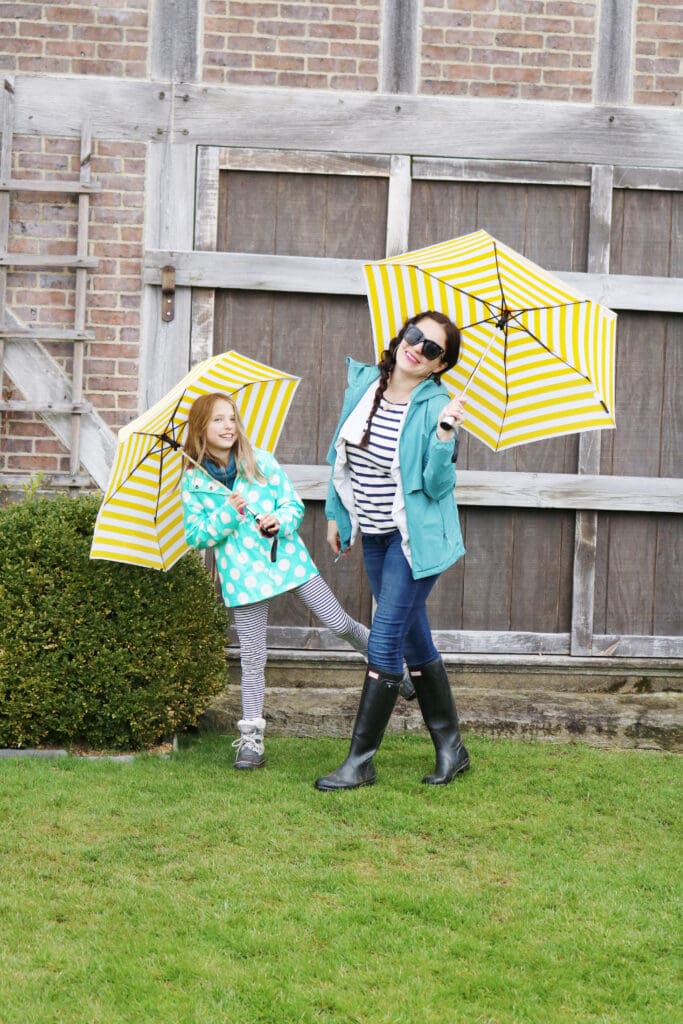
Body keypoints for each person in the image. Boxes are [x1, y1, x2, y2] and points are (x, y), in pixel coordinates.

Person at [180, 392, 413, 771]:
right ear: (201, 429)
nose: (228, 426)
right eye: (218, 420)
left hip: (287, 561)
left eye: (232, 418)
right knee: (253, 656)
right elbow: (197, 536)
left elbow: (294, 506)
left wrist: (278, 521)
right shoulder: (194, 483)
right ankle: (252, 739)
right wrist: (226, 512)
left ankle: (393, 666)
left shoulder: (260, 464)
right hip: (244, 578)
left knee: (338, 622)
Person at [315, 311, 470, 791]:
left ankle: (360, 761)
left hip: (413, 542)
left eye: (431, 349)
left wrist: (445, 436)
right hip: (377, 536)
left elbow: (436, 485)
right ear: (402, 336)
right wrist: (338, 515)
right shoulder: (365, 384)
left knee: (384, 641)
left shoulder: (436, 406)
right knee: (414, 641)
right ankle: (453, 749)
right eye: (415, 336)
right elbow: (340, 456)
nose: (417, 348)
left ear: (439, 366)